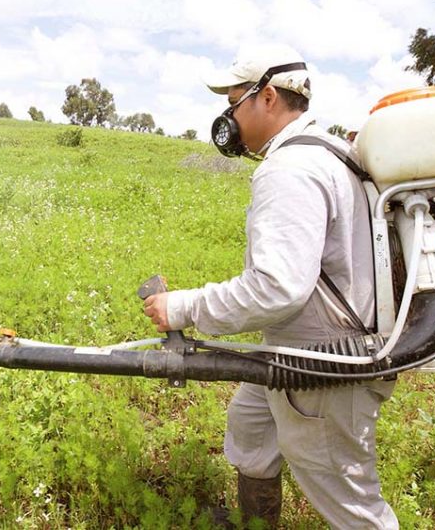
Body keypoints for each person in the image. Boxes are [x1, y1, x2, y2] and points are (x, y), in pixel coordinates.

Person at [143, 46, 398, 529]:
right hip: (295, 348)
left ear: (266, 98)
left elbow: (277, 288)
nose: (228, 115)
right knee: (251, 427)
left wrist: (182, 307)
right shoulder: (328, 152)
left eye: (234, 101)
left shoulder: (290, 170)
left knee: (351, 503)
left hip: (323, 360)